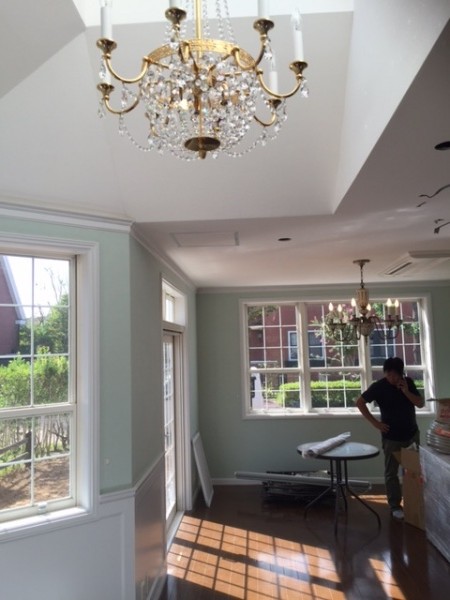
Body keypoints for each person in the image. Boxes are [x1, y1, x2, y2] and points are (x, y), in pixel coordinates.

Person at [355, 357, 424, 520]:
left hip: (411, 435)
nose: (392, 378)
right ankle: (395, 506)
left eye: (395, 375)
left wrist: (406, 391)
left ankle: (414, 503)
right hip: (391, 438)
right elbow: (360, 402)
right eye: (389, 374)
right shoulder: (379, 387)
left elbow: (420, 404)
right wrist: (375, 423)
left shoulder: (408, 383)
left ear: (401, 373)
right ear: (385, 373)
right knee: (391, 473)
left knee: (413, 471)